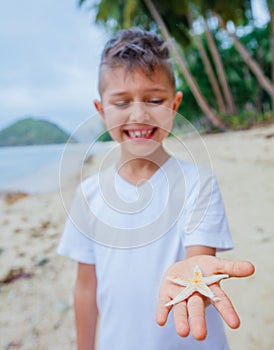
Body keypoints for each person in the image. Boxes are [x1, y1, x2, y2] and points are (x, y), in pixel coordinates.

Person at [57, 28, 254, 350]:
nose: (139, 114)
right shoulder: (88, 195)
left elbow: (199, 262)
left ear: (175, 104)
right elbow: (85, 288)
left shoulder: (198, 184)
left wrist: (197, 283)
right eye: (121, 102)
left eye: (154, 99)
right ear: (101, 109)